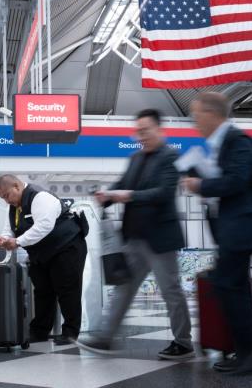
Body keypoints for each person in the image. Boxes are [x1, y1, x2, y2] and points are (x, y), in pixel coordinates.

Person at [76, 109, 194, 360]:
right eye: (137, 131)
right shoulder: (136, 158)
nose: (140, 135)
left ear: (159, 130)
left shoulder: (170, 157)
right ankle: (105, 338)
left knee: (170, 290)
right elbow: (122, 184)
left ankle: (183, 342)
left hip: (160, 238)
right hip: (133, 237)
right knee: (123, 289)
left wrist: (128, 195)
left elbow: (163, 193)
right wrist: (107, 196)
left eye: (145, 130)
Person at [182, 92, 252, 374]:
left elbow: (237, 180)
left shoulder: (236, 141)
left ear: (211, 114)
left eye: (197, 116)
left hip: (242, 229)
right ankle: (243, 351)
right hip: (235, 229)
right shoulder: (223, 144)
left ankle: (247, 354)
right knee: (233, 288)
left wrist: (201, 185)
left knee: (229, 287)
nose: (195, 123)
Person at [0, 174, 88, 345]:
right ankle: (39, 331)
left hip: (66, 246)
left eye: (7, 195)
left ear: (17, 186)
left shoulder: (40, 197)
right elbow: (10, 229)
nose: (6, 201)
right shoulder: (14, 207)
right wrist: (3, 238)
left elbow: (43, 226)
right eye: (3, 198)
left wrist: (17, 241)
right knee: (42, 291)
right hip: (42, 253)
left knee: (67, 290)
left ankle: (70, 332)